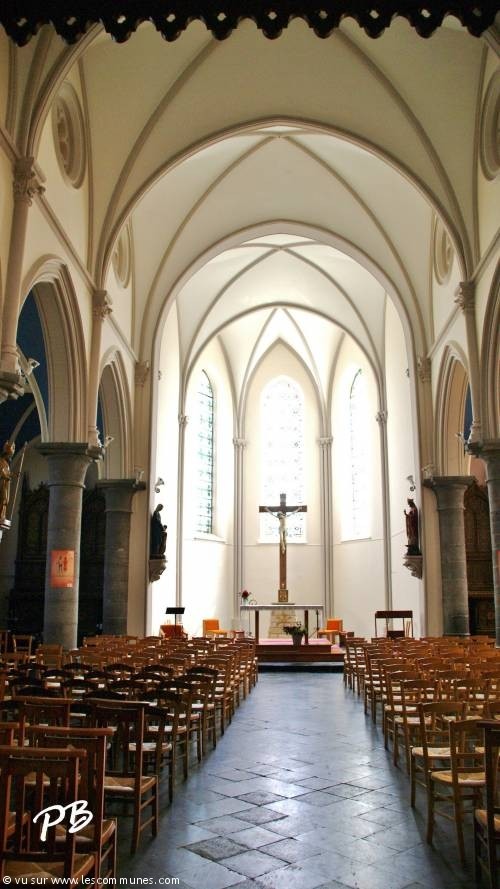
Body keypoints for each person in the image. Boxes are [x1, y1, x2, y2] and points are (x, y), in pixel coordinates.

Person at [0, 441, 15, 524]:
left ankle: (2, 515)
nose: (10, 457)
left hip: (6, 485)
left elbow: (7, 473)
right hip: (2, 484)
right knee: (2, 499)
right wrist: (6, 476)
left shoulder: (7, 464)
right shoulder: (1, 462)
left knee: (5, 500)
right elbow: (2, 472)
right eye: (10, 455)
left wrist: (14, 474)